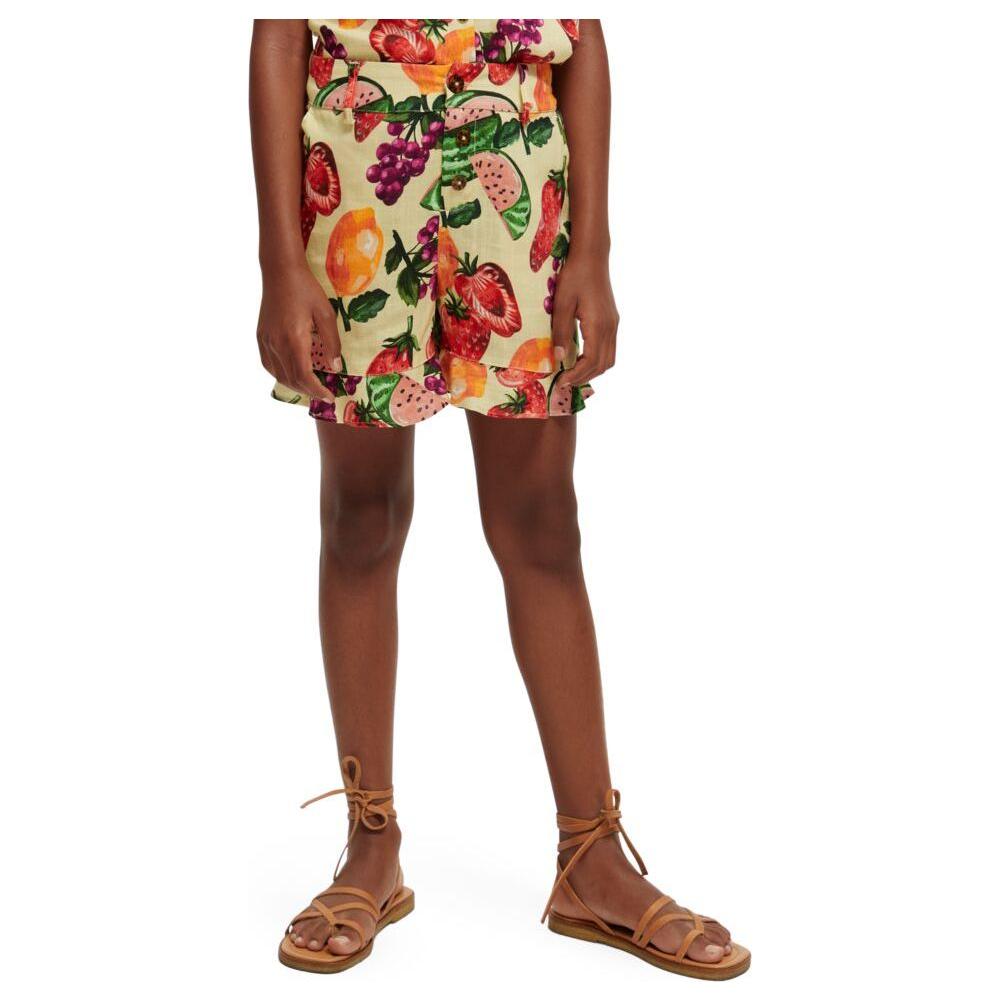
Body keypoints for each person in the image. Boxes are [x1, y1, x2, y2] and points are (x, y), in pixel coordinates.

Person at [250, 18, 749, 979]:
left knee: (542, 523)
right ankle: (371, 846)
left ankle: (591, 857)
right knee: (361, 518)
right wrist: (279, 263)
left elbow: (587, 39)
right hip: (359, 173)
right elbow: (278, 35)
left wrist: (594, 249)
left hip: (517, 171)